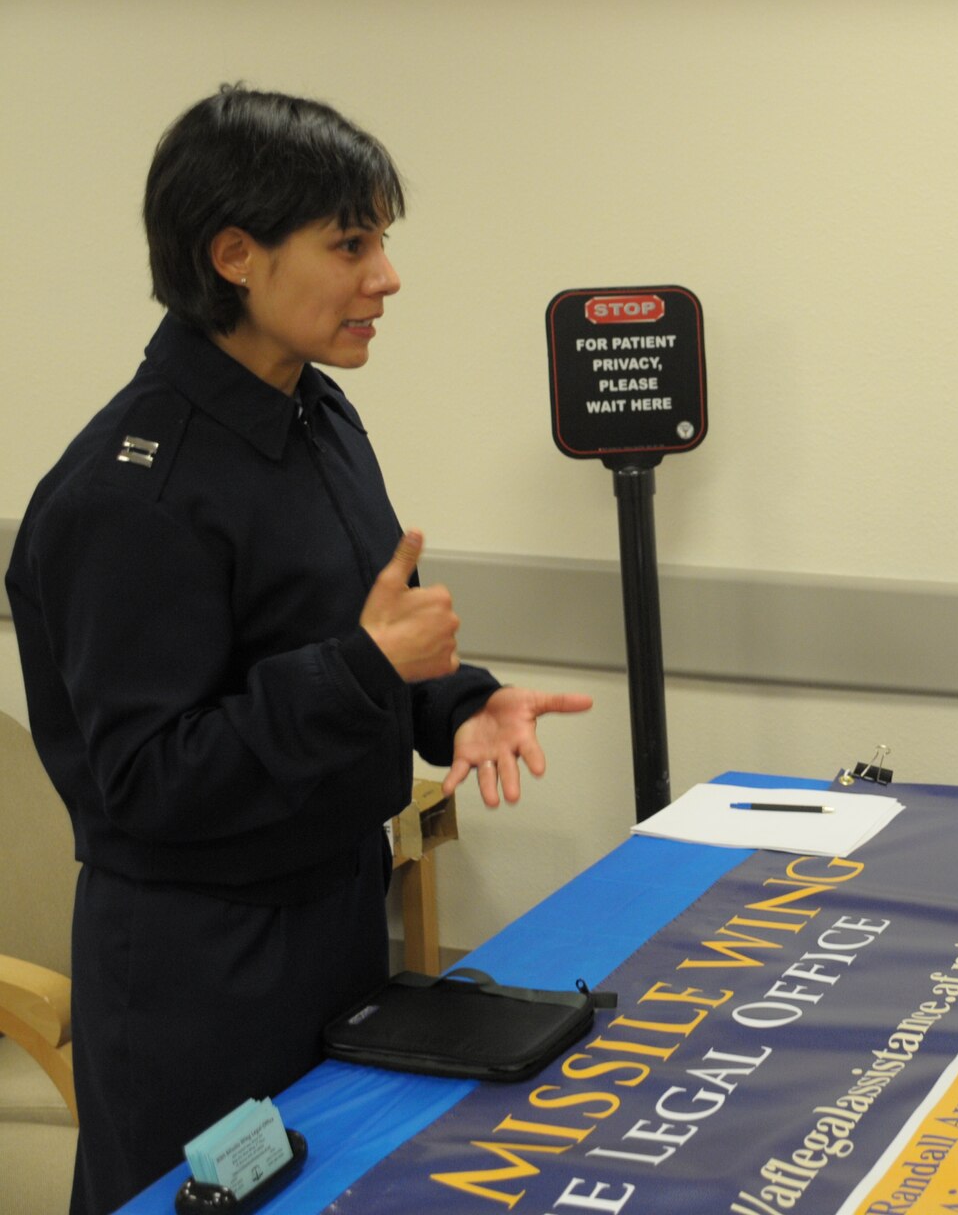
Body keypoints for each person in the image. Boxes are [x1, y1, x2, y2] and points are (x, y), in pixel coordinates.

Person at [4, 86, 593, 1213]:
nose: (387, 277)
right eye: (351, 243)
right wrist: (369, 669)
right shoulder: (129, 493)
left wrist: (455, 704)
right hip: (199, 965)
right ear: (235, 255)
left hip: (333, 915)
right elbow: (146, 782)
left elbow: (369, 624)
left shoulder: (314, 411)